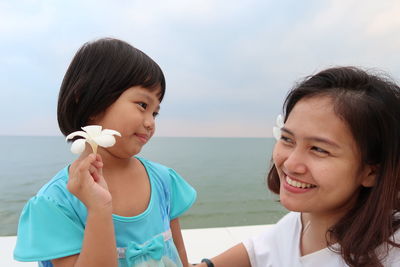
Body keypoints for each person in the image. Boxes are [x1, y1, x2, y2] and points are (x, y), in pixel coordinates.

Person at [13, 38, 197, 267]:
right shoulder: (56, 203)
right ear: (90, 101)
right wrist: (99, 210)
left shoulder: (164, 181)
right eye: (142, 105)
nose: (150, 122)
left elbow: (179, 253)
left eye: (155, 113)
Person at [196, 67, 400, 267]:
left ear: (372, 171)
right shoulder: (301, 222)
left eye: (319, 149)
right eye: (287, 139)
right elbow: (255, 253)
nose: (291, 163)